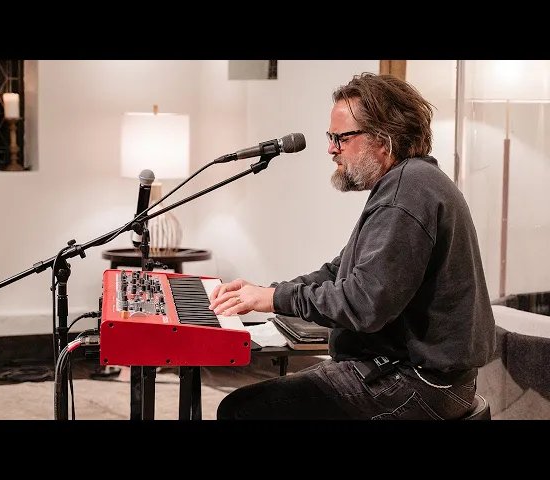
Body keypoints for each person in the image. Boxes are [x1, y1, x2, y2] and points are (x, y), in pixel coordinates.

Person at [209, 72, 496, 420]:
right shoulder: (410, 182)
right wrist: (266, 292)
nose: (331, 149)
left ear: (383, 140)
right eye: (330, 137)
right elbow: (338, 271)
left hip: (419, 383)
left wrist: (273, 299)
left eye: (340, 138)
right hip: (416, 374)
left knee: (242, 410)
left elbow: (364, 304)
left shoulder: (406, 194)